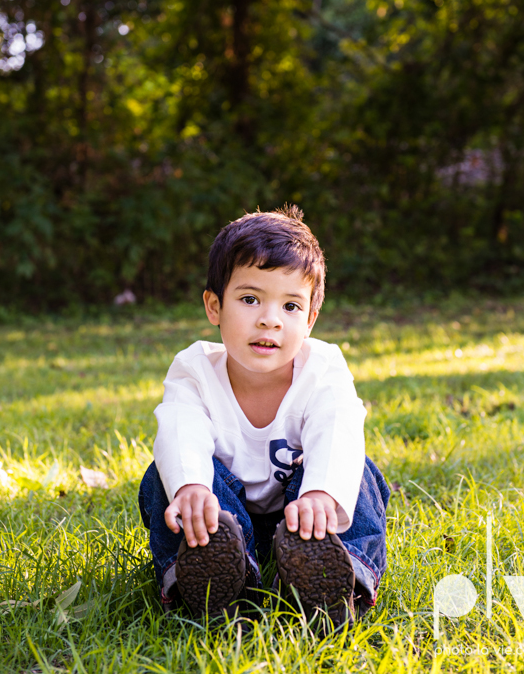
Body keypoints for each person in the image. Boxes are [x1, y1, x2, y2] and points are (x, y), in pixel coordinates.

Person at [138, 205, 390, 627]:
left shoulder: (322, 367)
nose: (269, 319)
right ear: (214, 307)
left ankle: (338, 576)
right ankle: (206, 577)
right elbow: (181, 432)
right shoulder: (194, 369)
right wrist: (192, 487)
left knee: (358, 472)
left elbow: (338, 430)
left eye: (290, 306)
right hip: (222, 519)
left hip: (304, 519)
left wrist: (320, 493)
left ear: (311, 319)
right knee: (163, 479)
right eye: (250, 299)